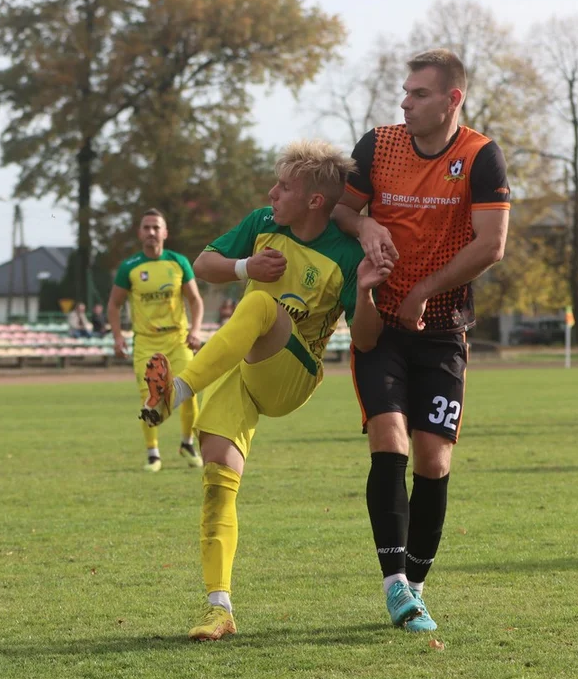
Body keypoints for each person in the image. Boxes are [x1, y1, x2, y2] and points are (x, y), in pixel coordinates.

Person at [139, 140, 387, 640]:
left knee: (256, 309)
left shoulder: (344, 254)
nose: (272, 193)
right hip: (244, 371)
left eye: (285, 187)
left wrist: (363, 293)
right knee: (216, 478)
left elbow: (366, 339)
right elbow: (203, 263)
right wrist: (244, 268)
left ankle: (177, 392)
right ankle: (218, 608)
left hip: (292, 377)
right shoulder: (262, 224)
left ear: (315, 201)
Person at [333, 49, 510, 633]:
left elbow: (491, 244)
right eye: (405, 93)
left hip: (442, 332)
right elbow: (338, 209)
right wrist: (367, 223)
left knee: (433, 460)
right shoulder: (376, 145)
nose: (405, 103)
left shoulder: (481, 156)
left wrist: (426, 291)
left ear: (452, 99)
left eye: (419, 94)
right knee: (390, 440)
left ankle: (415, 585)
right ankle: (393, 588)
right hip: (378, 324)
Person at [107, 209, 206, 472]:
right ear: (140, 233)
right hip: (146, 344)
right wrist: (118, 337)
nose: (151, 232)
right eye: (146, 227)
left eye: (156, 227)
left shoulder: (179, 262)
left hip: (178, 341)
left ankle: (187, 444)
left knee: (190, 395)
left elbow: (195, 300)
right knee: (149, 399)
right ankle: (153, 455)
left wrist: (195, 331)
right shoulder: (130, 267)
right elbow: (114, 305)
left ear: (165, 233)